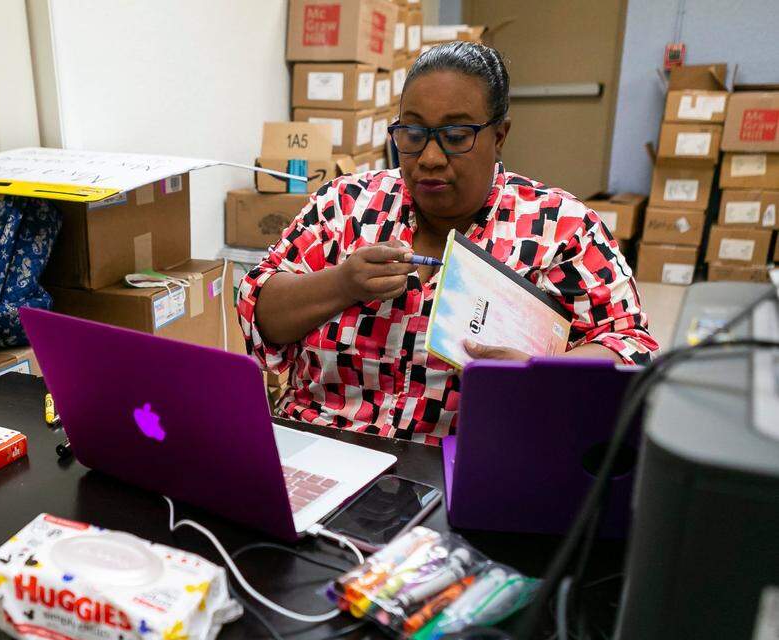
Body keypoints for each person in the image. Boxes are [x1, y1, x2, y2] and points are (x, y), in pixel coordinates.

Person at [237, 41, 658, 445]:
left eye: (456, 136)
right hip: (322, 441)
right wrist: (341, 283)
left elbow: (631, 349)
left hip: (462, 459)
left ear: (500, 135)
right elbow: (260, 308)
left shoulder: (560, 228)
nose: (430, 158)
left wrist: (541, 373)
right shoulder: (346, 205)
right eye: (412, 133)